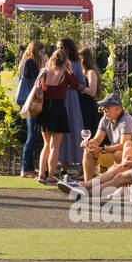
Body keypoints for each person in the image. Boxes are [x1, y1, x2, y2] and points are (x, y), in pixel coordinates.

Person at [25, 47, 80, 185]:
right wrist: (70, 70)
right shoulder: (65, 74)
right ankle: (50, 176)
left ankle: (41, 174)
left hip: (45, 110)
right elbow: (76, 84)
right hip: (58, 110)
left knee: (46, 144)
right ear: (64, 61)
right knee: (55, 146)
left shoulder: (44, 73)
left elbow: (39, 87)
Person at [77, 93, 132, 184]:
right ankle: (87, 184)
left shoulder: (126, 120)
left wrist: (101, 149)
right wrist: (89, 144)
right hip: (114, 152)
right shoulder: (105, 119)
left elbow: (123, 146)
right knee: (88, 151)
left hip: (131, 156)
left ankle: (121, 186)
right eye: (103, 106)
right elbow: (97, 140)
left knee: (118, 154)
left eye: (106, 106)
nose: (103, 108)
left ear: (117, 108)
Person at [55, 38, 87, 177]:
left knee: (72, 130)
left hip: (71, 100)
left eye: (61, 47)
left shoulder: (75, 64)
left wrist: (69, 85)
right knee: (59, 132)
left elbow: (82, 85)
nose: (59, 50)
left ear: (68, 48)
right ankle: (62, 167)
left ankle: (79, 167)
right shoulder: (54, 63)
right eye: (57, 47)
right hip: (58, 99)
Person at [15, 41, 47, 178]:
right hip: (31, 102)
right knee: (32, 136)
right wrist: (45, 64)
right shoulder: (29, 63)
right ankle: (26, 169)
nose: (43, 54)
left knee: (33, 135)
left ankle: (28, 168)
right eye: (41, 52)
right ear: (35, 51)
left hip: (29, 102)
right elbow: (40, 78)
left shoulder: (27, 62)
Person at [79, 46, 102, 135]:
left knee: (88, 132)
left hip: (87, 107)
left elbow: (92, 92)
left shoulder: (91, 72)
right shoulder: (80, 72)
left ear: (83, 58)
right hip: (80, 106)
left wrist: (81, 87)